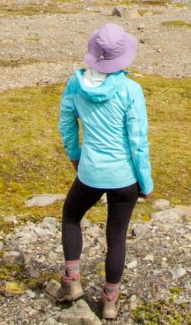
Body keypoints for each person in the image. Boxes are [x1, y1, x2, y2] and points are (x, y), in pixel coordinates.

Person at [56, 23, 152, 320]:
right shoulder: (130, 89)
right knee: (117, 236)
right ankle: (109, 302)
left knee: (71, 217)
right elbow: (138, 142)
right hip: (125, 178)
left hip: (90, 173)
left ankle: (72, 283)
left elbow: (66, 125)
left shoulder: (75, 84)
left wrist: (75, 157)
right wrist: (146, 183)